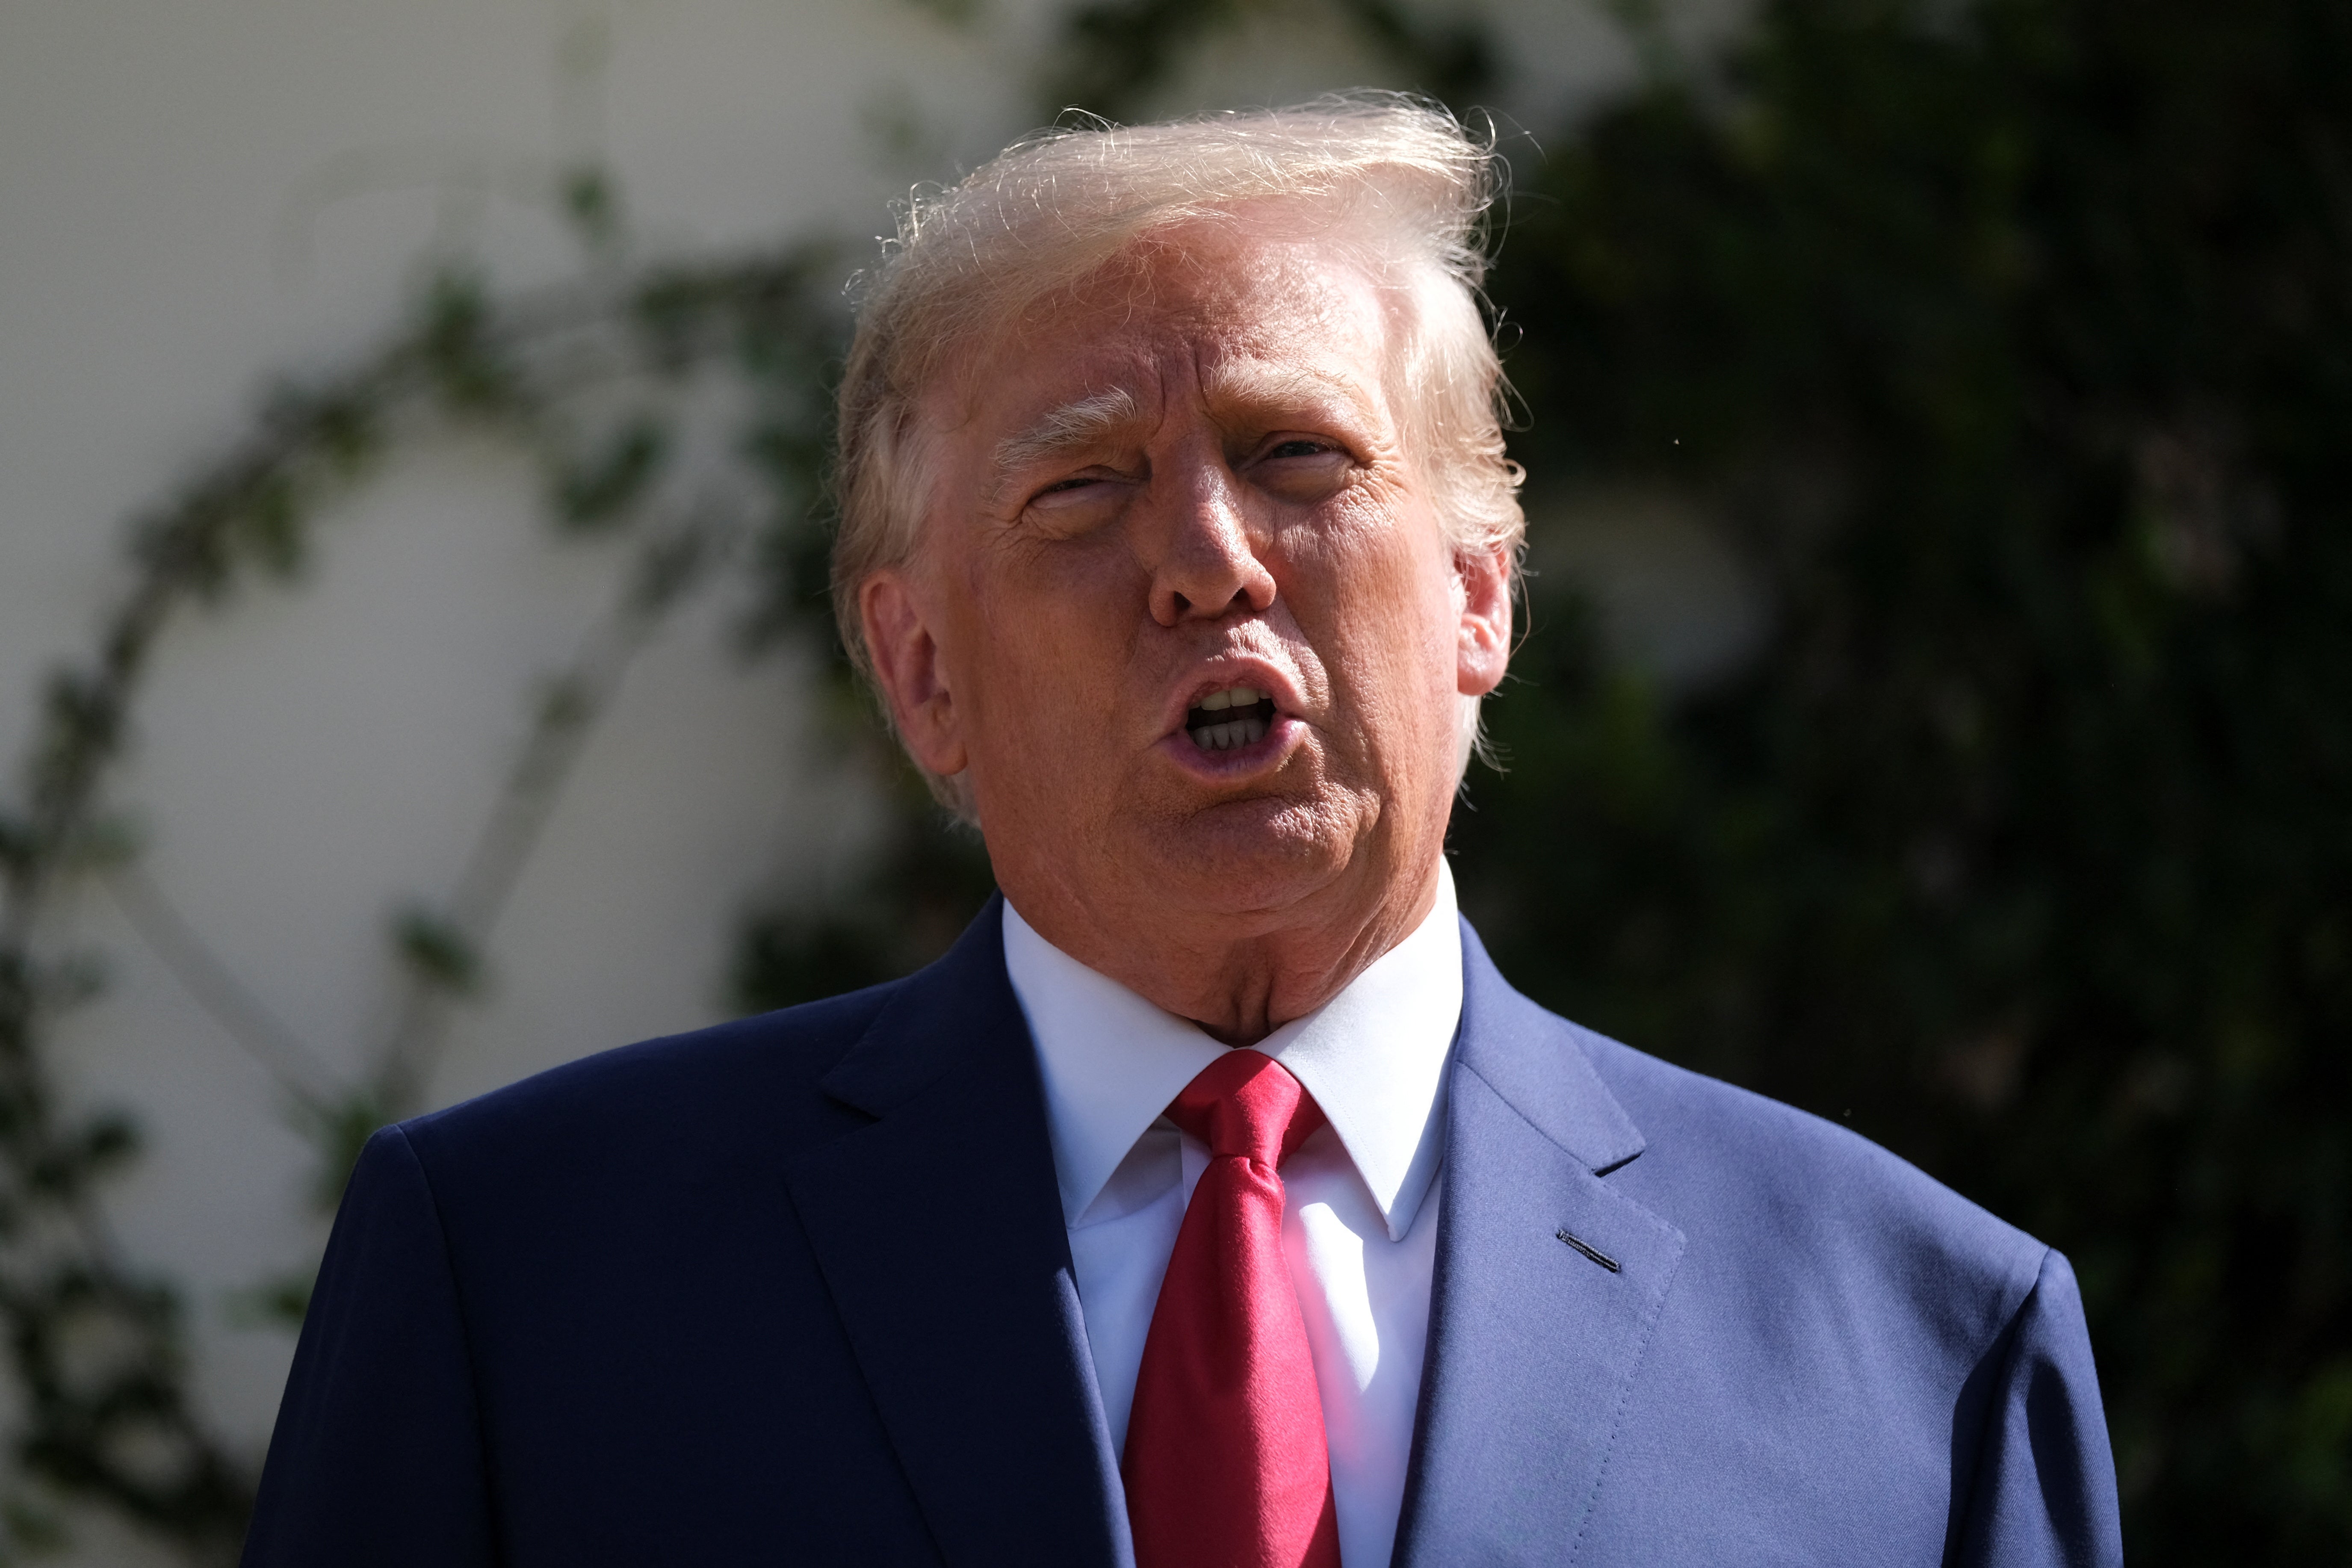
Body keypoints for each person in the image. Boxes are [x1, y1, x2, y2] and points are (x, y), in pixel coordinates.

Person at [241, 96, 2123, 1567]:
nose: (1207, 557)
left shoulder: (1921, 1342)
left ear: (1481, 589)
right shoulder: (521, 1280)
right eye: (1080, 488)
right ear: (920, 673)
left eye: (1297, 454)